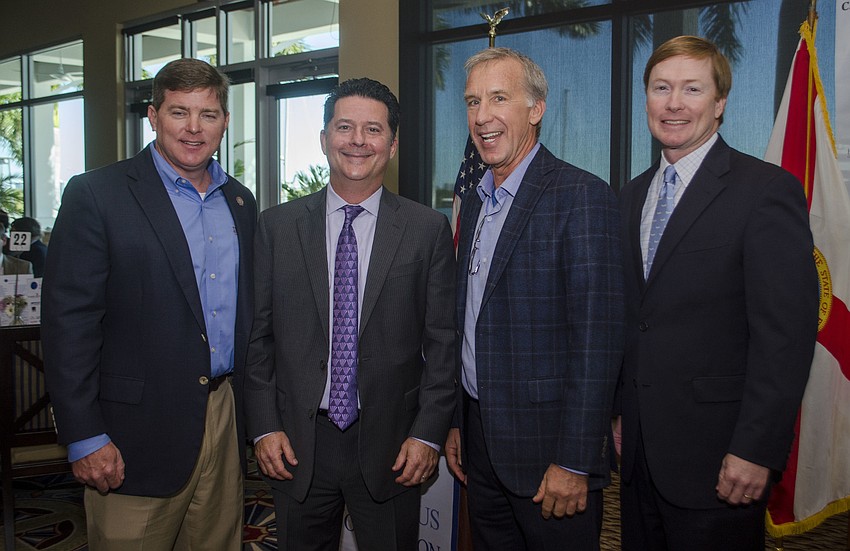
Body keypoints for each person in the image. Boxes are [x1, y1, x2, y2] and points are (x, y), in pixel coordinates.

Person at [41, 58, 256, 549]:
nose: (194, 128)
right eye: (180, 112)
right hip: (131, 434)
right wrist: (85, 436)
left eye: (209, 114)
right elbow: (69, 324)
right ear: (153, 116)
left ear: (225, 121)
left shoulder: (240, 202)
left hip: (223, 417)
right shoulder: (97, 194)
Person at [616, 36, 818, 551]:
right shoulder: (629, 196)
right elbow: (632, 319)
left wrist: (757, 449)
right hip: (639, 458)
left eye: (692, 88)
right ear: (647, 99)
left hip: (721, 461)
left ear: (720, 102)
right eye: (661, 88)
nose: (674, 103)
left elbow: (785, 336)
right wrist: (618, 414)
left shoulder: (764, 190)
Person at [244, 77, 456, 550]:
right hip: (297, 443)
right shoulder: (276, 228)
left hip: (392, 445)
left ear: (393, 144)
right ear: (324, 139)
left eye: (374, 129)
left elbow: (443, 344)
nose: (358, 140)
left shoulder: (427, 230)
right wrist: (263, 425)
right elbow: (257, 339)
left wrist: (427, 435)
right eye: (344, 127)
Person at [445, 47, 623, 550]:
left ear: (536, 109)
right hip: (480, 444)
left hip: (549, 455)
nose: (482, 117)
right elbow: (470, 324)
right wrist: (459, 422)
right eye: (473, 101)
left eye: (499, 98)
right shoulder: (477, 200)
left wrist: (574, 460)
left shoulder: (580, 196)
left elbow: (598, 343)